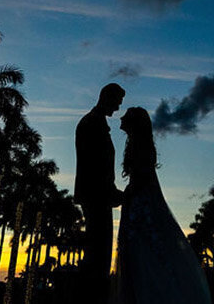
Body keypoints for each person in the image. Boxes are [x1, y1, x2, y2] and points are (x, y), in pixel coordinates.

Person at [113, 107, 211, 304]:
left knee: (142, 250)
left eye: (127, 115)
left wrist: (127, 195)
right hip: (137, 203)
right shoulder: (138, 144)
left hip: (141, 207)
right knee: (137, 251)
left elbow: (141, 178)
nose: (121, 117)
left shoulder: (141, 147)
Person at [75, 83, 126, 304]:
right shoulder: (92, 123)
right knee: (98, 253)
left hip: (100, 196)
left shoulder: (97, 123)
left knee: (100, 251)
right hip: (96, 197)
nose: (117, 109)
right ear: (107, 97)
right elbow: (94, 165)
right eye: (116, 102)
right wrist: (111, 192)